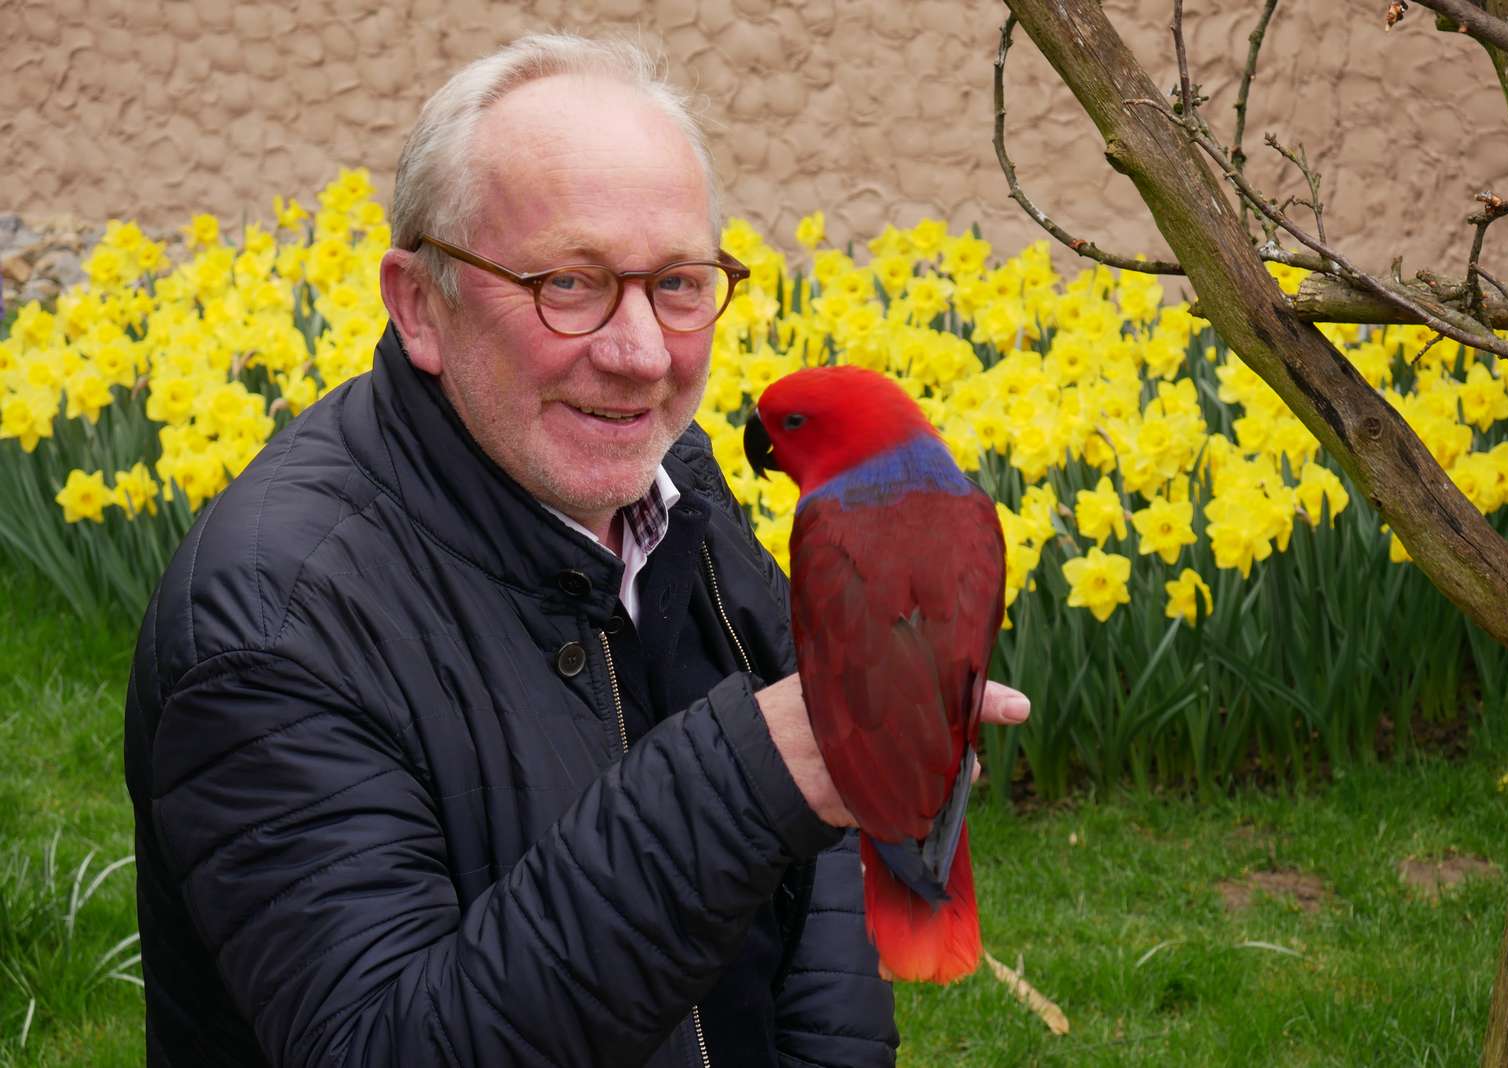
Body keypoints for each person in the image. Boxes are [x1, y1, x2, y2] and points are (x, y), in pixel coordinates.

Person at [123, 32, 1029, 1068]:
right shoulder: (273, 626)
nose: (641, 355)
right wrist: (747, 777)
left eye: (678, 284)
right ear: (420, 304)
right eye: (568, 282)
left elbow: (814, 875)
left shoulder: (673, 482)